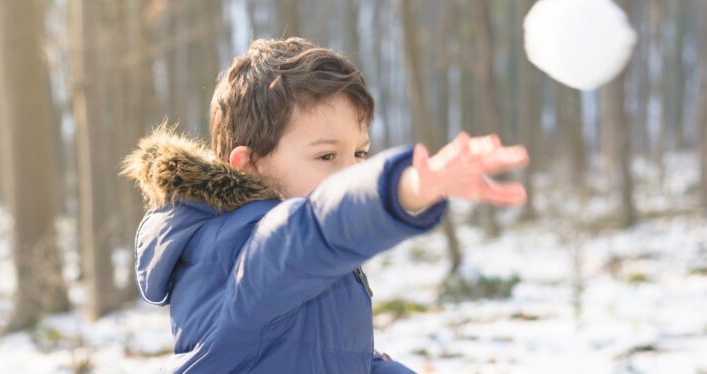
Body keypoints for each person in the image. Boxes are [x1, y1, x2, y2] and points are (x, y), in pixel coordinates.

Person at [122, 37, 528, 373]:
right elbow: (313, 230)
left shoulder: (308, 258)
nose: (350, 172)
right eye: (326, 156)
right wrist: (408, 186)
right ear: (251, 167)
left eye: (360, 155)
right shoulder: (241, 248)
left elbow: (339, 358)